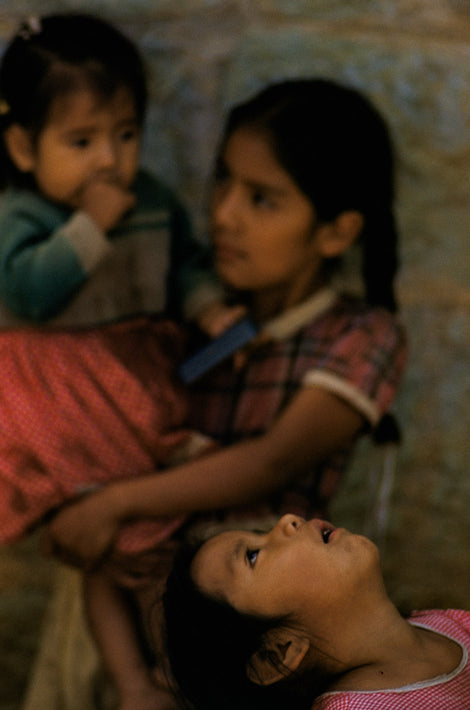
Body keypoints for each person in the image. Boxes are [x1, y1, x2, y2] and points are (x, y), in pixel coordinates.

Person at [44, 77, 408, 709]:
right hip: (113, 609)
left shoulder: (360, 337)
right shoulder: (191, 309)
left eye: (263, 199)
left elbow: (273, 461)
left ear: (335, 232)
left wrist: (111, 505)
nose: (223, 214)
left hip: (236, 653)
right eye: (223, 181)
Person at [0, 12, 243, 710]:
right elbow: (30, 293)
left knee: (148, 542)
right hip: (62, 407)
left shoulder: (153, 202)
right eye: (81, 141)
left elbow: (185, 266)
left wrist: (208, 311)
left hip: (134, 386)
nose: (109, 159)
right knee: (119, 549)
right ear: (22, 145)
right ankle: (140, 679)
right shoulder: (19, 218)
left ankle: (164, 672)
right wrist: (90, 226)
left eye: (125, 134)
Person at [162, 513, 470, 710]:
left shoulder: (446, 623)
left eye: (262, 531)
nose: (288, 521)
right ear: (278, 652)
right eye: (253, 556)